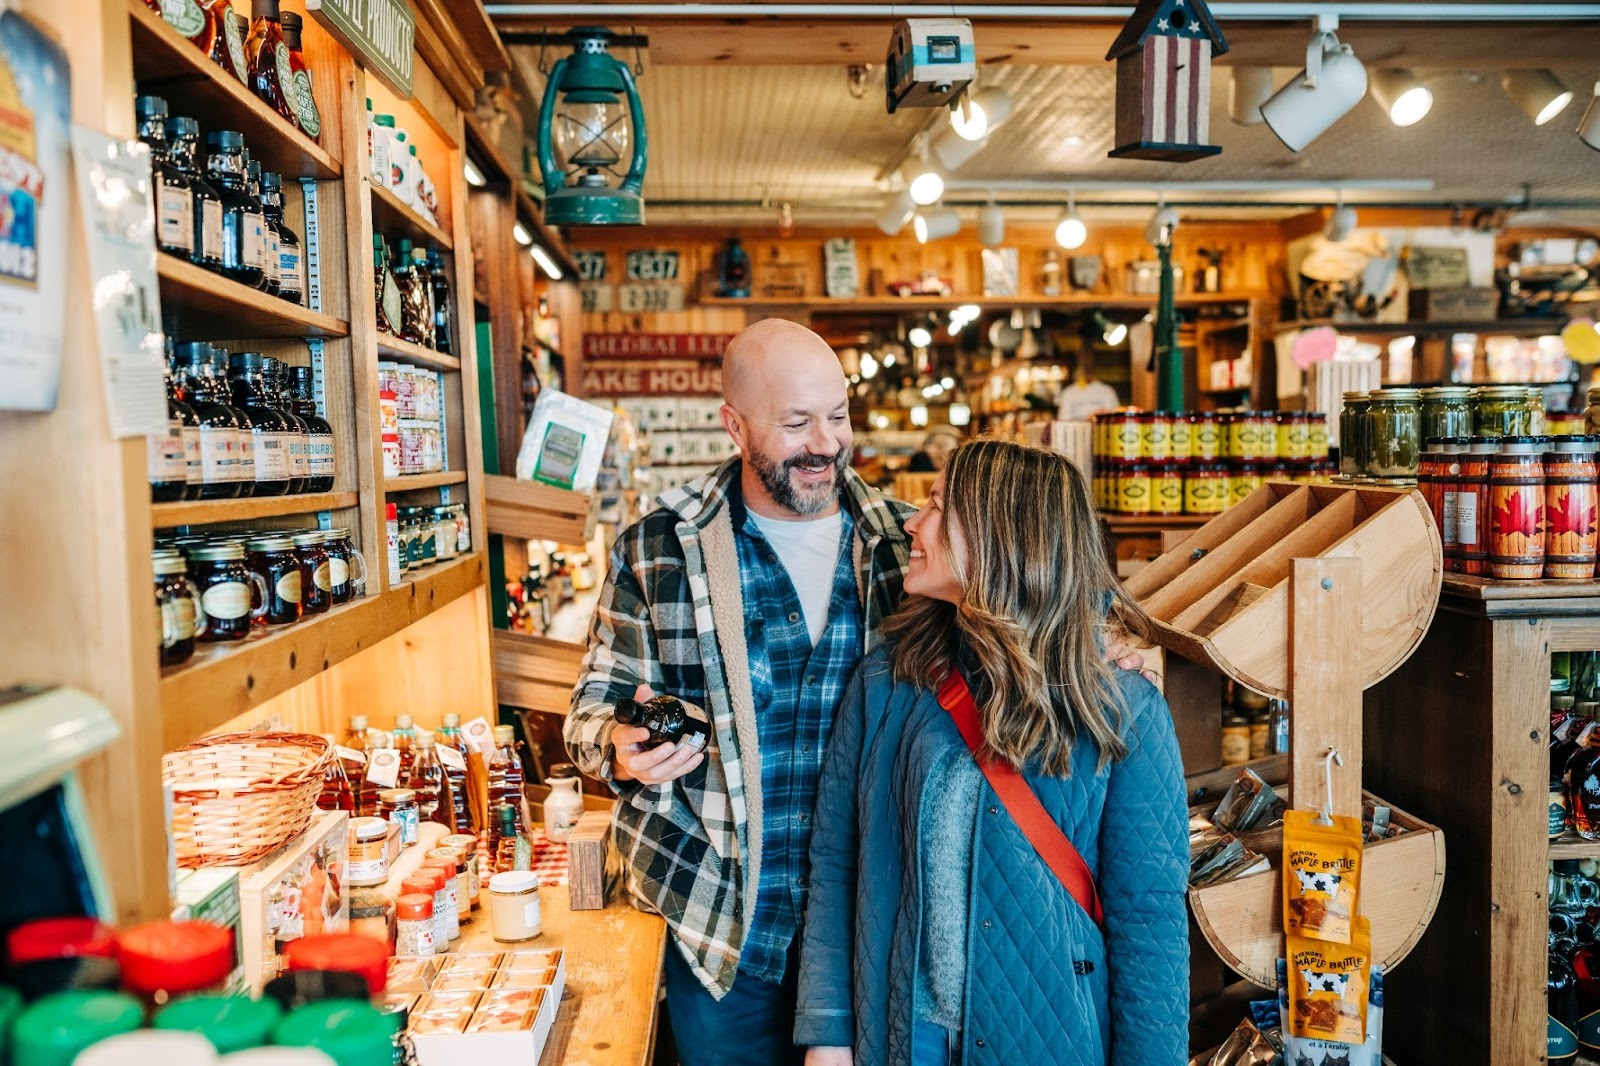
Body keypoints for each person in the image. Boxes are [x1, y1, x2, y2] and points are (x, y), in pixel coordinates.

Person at [564, 319, 1148, 1066]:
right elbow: (590, 706)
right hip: (720, 926)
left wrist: (1096, 640)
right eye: (796, 422)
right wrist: (615, 745)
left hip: (874, 919)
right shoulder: (659, 548)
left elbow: (1026, 592)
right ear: (734, 426)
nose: (827, 443)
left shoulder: (905, 541)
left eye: (837, 417)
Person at [795, 439, 1189, 1066]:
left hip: (1051, 1039)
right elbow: (837, 863)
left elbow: (1151, 926)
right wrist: (828, 1036)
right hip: (903, 1035)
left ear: (1002, 534)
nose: (911, 522)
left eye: (935, 505)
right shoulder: (884, 685)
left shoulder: (1123, 711)